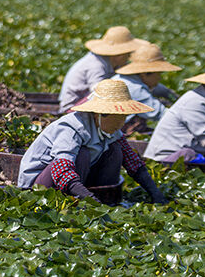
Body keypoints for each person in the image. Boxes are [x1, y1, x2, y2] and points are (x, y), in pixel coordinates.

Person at [19, 79, 167, 204]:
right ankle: (77, 199)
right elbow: (62, 170)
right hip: (39, 188)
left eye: (124, 117)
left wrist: (155, 193)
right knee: (82, 154)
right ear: (99, 115)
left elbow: (132, 161)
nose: (121, 123)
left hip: (77, 179)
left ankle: (106, 198)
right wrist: (91, 201)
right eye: (117, 117)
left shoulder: (111, 130)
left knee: (116, 150)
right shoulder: (71, 128)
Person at [58, 26, 147, 113]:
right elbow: (98, 91)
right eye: (128, 54)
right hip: (73, 108)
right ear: (120, 55)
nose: (129, 57)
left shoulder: (113, 63)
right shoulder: (96, 65)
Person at [112, 42, 182, 134]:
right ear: (145, 73)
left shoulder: (128, 79)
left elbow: (161, 89)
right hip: (113, 133)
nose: (159, 78)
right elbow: (161, 114)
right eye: (158, 73)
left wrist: (176, 98)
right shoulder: (136, 89)